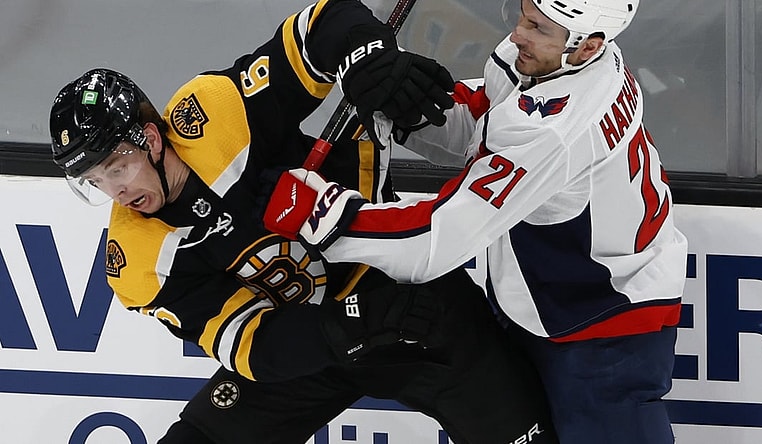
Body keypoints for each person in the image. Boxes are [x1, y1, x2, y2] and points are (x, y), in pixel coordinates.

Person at [48, 1, 558, 443]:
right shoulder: (136, 260)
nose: (116, 191)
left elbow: (326, 23)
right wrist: (348, 323)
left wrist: (368, 59)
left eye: (116, 166)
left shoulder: (213, 116)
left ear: (151, 139)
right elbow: (256, 348)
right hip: (310, 339)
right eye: (94, 180)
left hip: (408, 298)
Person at [264, 0, 689, 443]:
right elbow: (489, 125)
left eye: (539, 27)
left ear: (589, 45)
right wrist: (404, 103)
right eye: (522, 15)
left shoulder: (559, 130)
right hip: (544, 297)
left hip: (607, 321)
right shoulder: (555, 62)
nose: (520, 34)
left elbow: (435, 240)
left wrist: (321, 215)